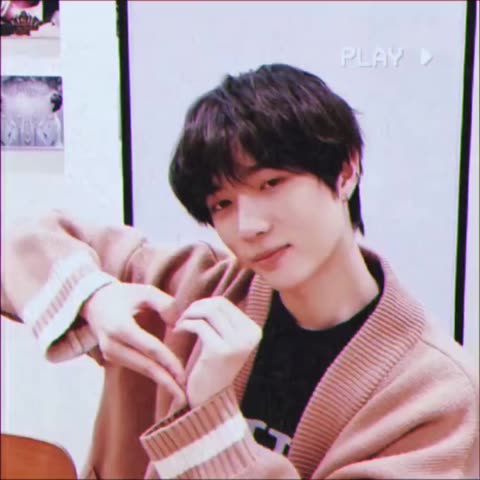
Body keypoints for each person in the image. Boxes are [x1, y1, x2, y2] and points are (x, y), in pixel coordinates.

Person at [1, 64, 478, 480]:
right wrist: (95, 297)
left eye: (271, 183)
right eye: (222, 204)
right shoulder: (191, 288)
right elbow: (19, 246)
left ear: (346, 170)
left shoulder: (436, 394)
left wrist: (211, 417)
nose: (249, 226)